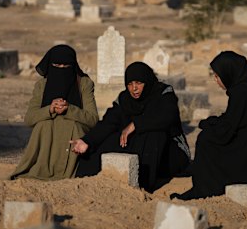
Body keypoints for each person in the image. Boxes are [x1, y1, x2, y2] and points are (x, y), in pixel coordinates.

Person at [172, 51, 247, 200]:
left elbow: (226, 132)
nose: (215, 80)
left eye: (218, 76)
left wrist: (207, 125)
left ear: (229, 74)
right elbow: (235, 121)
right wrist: (212, 123)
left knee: (206, 139)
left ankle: (205, 188)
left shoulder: (241, 93)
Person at [70, 62, 190, 192]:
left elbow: (167, 117)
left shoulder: (163, 93)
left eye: (138, 83)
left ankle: (143, 185)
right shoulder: (124, 99)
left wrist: (136, 124)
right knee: (110, 140)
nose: (134, 89)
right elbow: (108, 123)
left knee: (154, 133)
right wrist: (87, 141)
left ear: (147, 81)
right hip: (140, 149)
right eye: (130, 84)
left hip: (170, 154)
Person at [11, 45, 98, 181]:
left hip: (73, 137)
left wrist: (70, 109)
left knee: (73, 126)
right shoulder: (42, 85)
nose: (62, 69)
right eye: (57, 65)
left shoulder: (84, 84)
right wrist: (49, 109)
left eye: (66, 66)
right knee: (43, 126)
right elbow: (29, 118)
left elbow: (93, 119)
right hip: (47, 136)